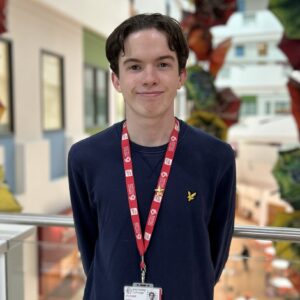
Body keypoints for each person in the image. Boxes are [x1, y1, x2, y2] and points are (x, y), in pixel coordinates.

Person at [68, 13, 236, 300]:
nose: (149, 78)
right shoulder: (85, 157)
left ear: (181, 75)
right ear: (116, 80)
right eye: (134, 66)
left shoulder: (216, 158)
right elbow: (90, 246)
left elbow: (214, 255)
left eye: (162, 64)